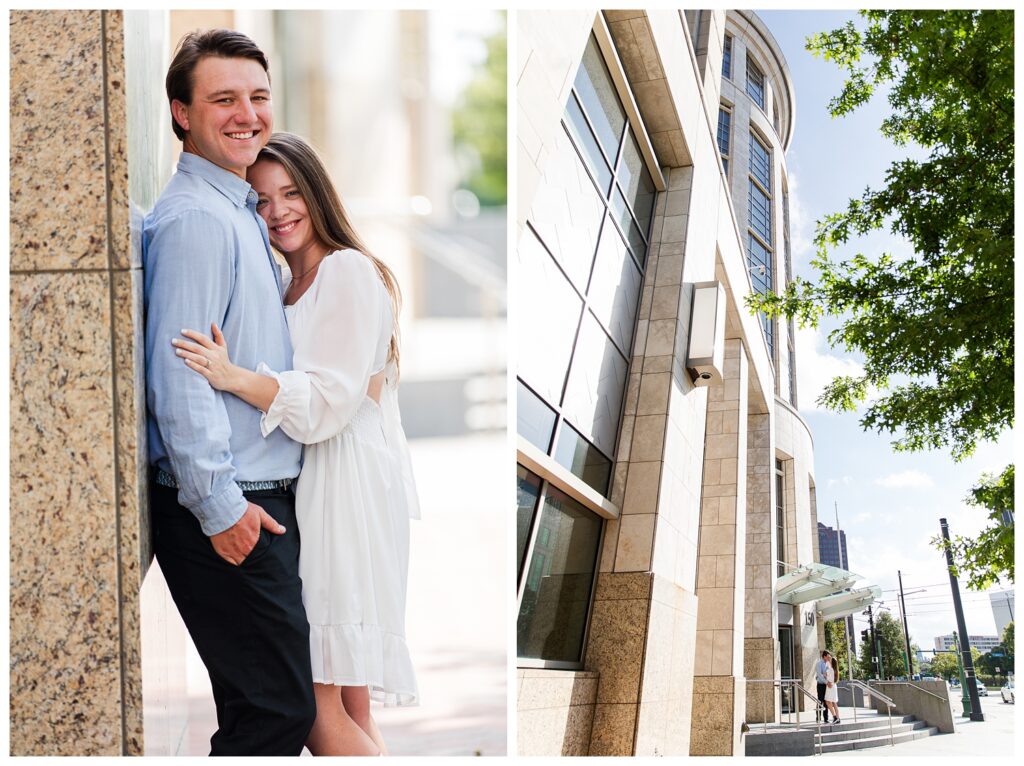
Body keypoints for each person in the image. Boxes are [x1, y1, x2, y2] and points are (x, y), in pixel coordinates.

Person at [171, 132, 420, 756]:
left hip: (344, 489)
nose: (278, 210)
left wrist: (231, 376)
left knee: (315, 707)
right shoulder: (289, 285)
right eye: (261, 200)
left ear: (318, 194)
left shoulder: (347, 271)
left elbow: (328, 406)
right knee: (348, 703)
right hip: (319, 481)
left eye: (291, 193)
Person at [143, 30, 315, 755]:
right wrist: (222, 511)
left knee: (259, 712)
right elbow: (177, 377)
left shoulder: (239, 212)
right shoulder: (198, 221)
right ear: (183, 113)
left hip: (256, 498)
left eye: (256, 97)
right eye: (223, 99)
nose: (246, 114)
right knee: (277, 714)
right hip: (230, 506)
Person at [815, 650, 832, 723]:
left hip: (827, 685)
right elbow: (819, 675)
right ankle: (818, 718)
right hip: (821, 685)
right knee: (820, 701)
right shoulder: (819, 664)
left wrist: (826, 676)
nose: (828, 658)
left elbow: (829, 674)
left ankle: (826, 718)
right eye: (828, 657)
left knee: (826, 701)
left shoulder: (828, 664)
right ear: (824, 656)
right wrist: (826, 681)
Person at [825, 655, 841, 724]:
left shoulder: (831, 669)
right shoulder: (835, 669)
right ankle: (838, 718)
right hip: (833, 686)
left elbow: (824, 675)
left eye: (831, 660)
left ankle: (835, 717)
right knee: (834, 703)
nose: (829, 660)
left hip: (830, 686)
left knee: (828, 702)